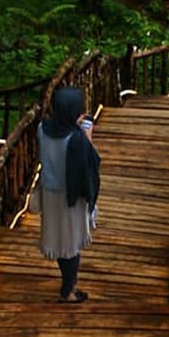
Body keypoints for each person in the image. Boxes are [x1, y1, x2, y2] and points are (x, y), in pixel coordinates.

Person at [37, 86, 101, 303]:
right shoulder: (76, 139)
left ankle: (67, 284)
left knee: (59, 241)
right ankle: (68, 291)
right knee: (71, 245)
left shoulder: (42, 129)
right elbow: (90, 163)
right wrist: (87, 135)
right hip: (71, 198)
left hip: (49, 194)